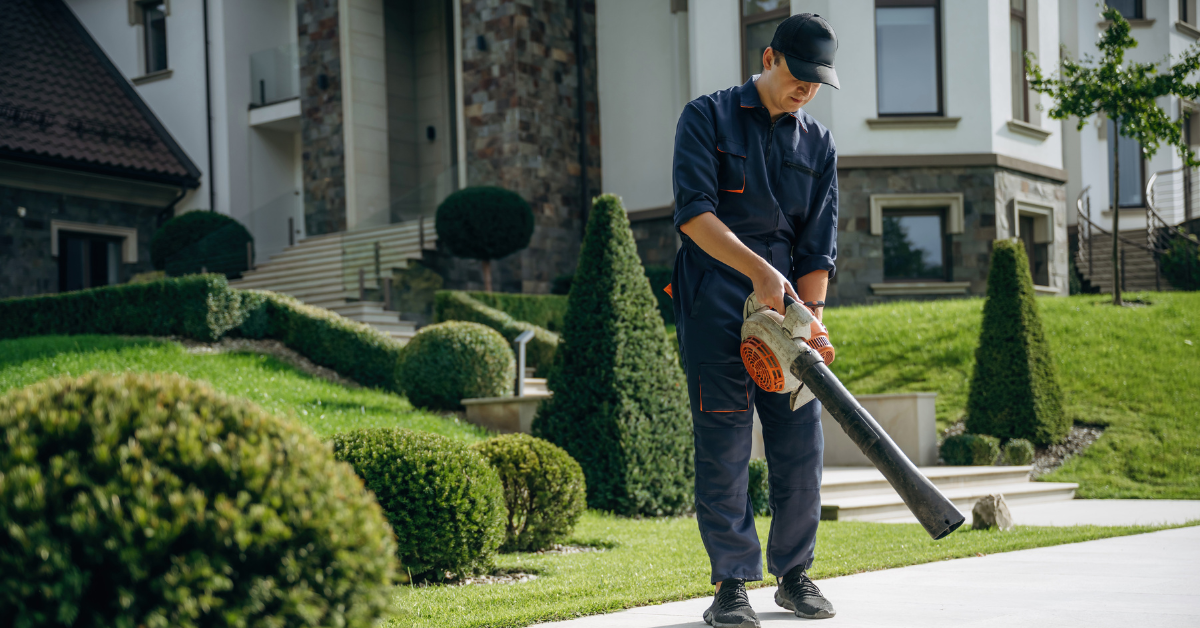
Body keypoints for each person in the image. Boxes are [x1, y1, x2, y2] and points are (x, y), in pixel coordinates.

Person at [670, 13, 840, 628]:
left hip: (789, 312)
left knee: (800, 441)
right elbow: (694, 215)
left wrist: (813, 319)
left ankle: (795, 576)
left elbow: (818, 247)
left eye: (818, 81)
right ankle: (731, 585)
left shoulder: (818, 145)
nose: (807, 89)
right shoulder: (705, 117)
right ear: (769, 58)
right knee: (723, 442)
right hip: (715, 296)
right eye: (799, 75)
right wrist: (759, 273)